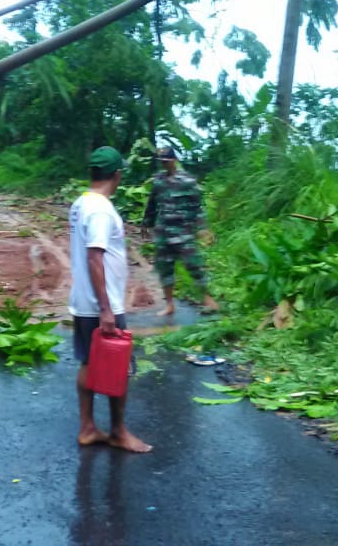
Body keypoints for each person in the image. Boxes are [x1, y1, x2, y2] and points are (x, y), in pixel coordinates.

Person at [69, 146, 152, 453]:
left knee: (88, 361)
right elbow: (95, 258)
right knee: (119, 366)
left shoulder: (81, 203)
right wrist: (106, 308)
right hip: (101, 304)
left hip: (83, 302)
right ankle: (118, 431)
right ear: (117, 175)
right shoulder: (102, 210)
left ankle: (88, 427)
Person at [142, 146, 219, 316]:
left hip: (183, 231)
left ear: (174, 160)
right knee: (165, 268)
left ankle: (207, 298)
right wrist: (146, 224)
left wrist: (202, 228)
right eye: (162, 162)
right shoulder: (158, 181)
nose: (164, 165)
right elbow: (152, 204)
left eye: (167, 161)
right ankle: (169, 304)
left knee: (194, 264)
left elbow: (198, 207)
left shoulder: (188, 181)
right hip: (163, 232)